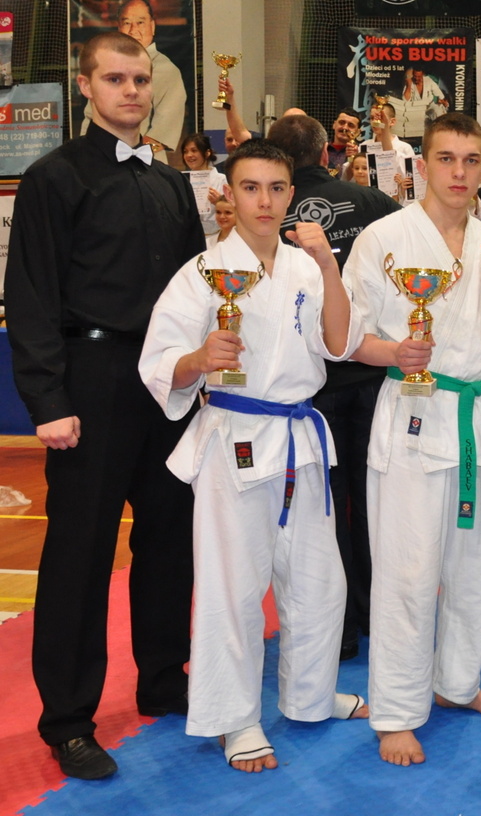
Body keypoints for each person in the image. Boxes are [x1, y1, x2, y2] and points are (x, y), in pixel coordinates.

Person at [6, 31, 204, 780]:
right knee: (80, 555)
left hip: (166, 384)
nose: (130, 90)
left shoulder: (165, 179)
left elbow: (193, 291)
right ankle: (67, 720)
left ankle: (162, 679)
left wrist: (198, 380)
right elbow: (30, 297)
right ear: (84, 86)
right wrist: (48, 400)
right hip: (89, 381)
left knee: (169, 541)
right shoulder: (54, 178)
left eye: (140, 78)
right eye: (115, 78)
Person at [139, 138, 369, 772]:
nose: (264, 201)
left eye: (275, 188)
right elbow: (160, 362)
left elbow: (341, 341)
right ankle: (232, 718)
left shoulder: (305, 266)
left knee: (321, 582)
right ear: (228, 195)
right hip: (234, 439)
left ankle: (311, 695)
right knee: (233, 587)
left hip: (301, 438)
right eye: (250, 188)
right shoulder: (202, 273)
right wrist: (198, 360)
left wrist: (328, 267)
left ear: (292, 196)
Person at [345, 112, 481, 767]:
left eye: (471, 160)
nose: (458, 172)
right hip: (415, 412)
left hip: (477, 416)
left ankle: (457, 684)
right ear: (422, 165)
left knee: (480, 568)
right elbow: (345, 337)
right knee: (408, 571)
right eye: (446, 159)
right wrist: (398, 350)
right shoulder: (382, 237)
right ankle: (394, 711)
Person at [268, 114, 402, 661]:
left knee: (325, 508)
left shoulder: (271, 214)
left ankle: (340, 628)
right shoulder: (370, 203)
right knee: (376, 503)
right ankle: (379, 617)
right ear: (327, 152)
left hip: (313, 386)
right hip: (371, 375)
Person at [81, 0, 187, 156]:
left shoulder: (167, 70)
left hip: (145, 164)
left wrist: (128, 156)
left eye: (140, 22)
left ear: (152, 26)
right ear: (119, 28)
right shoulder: (106, 68)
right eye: (127, 23)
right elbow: (89, 121)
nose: (133, 30)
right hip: (99, 162)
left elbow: (162, 133)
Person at [359, 99, 416, 203]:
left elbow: (411, 183)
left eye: (381, 118)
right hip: (367, 199)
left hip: (395, 202)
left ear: (392, 121)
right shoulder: (364, 146)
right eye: (372, 118)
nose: (375, 122)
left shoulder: (405, 148)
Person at [179, 132, 228, 237]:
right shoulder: (182, 180)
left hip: (217, 235)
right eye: (185, 151)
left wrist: (219, 202)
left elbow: (234, 211)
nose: (189, 155)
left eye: (194, 150)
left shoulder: (221, 179)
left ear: (207, 153)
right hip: (190, 236)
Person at [326, 108, 362, 176]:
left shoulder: (362, 154)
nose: (345, 128)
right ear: (334, 125)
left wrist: (356, 159)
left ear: (358, 132)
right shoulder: (320, 150)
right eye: (342, 122)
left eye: (351, 125)